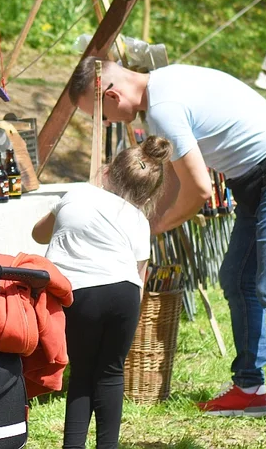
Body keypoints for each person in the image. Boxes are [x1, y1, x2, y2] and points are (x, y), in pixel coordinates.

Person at [68, 58, 266, 433]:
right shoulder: (164, 84)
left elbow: (197, 190)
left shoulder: (162, 109)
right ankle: (249, 387)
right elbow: (181, 183)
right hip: (259, 178)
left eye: (104, 114)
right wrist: (144, 221)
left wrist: (149, 229)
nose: (112, 123)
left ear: (110, 93)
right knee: (237, 280)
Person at [30, 137, 170, 449]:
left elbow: (38, 233)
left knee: (81, 374)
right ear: (148, 193)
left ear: (107, 172)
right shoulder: (139, 219)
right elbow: (140, 276)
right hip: (124, 294)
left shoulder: (78, 192)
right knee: (110, 373)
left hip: (79, 294)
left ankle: (73, 445)